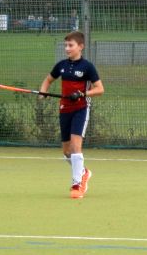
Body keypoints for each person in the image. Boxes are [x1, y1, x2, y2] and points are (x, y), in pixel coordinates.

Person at [38, 31, 105, 199]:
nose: (67, 48)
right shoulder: (61, 65)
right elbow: (48, 80)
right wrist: (43, 92)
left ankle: (77, 185)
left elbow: (100, 89)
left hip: (80, 109)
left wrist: (82, 94)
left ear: (80, 47)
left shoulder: (87, 67)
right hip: (64, 109)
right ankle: (83, 172)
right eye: (65, 46)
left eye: (70, 45)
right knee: (67, 152)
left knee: (76, 146)